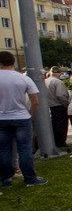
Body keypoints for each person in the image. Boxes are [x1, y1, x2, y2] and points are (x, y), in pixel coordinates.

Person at [0, 51, 47, 187]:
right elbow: (35, 101)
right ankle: (30, 179)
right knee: (25, 149)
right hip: (21, 117)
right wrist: (30, 115)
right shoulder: (23, 78)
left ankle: (6, 179)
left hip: (2, 118)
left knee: (4, 149)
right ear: (13, 62)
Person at [45, 66, 70, 147]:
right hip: (58, 106)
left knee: (52, 125)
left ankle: (53, 141)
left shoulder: (45, 81)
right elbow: (60, 95)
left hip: (48, 106)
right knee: (60, 126)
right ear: (59, 73)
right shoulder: (58, 82)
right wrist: (66, 104)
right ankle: (60, 142)